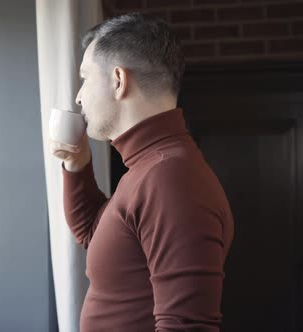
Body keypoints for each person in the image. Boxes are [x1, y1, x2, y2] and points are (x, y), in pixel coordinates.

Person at [49, 13, 234, 332]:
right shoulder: (149, 167)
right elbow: (97, 237)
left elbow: (186, 326)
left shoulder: (169, 178)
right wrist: (77, 163)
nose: (79, 96)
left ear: (118, 80)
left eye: (85, 78)